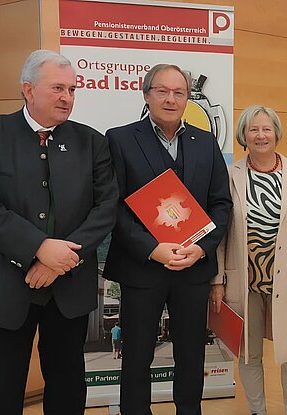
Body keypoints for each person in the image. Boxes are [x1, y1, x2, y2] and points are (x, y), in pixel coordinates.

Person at [0, 49, 118, 415]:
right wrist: (39, 248)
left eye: (72, 89)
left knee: (67, 384)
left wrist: (61, 259)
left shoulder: (91, 142)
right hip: (6, 284)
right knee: (1, 385)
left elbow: (106, 207)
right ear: (28, 90)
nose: (67, 97)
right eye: (57, 88)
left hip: (68, 285)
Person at [103, 63, 232, 415]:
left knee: (191, 353)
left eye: (179, 92)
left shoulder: (205, 142)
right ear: (146, 95)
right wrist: (152, 249)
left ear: (188, 98)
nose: (171, 99)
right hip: (141, 267)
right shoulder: (119, 139)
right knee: (137, 354)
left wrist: (201, 248)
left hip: (193, 267)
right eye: (162, 91)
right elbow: (112, 205)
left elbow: (221, 204)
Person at [210, 105, 287, 415]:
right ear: (244, 135)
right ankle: (257, 410)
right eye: (254, 129)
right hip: (244, 282)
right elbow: (220, 233)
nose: (261, 135)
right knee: (249, 353)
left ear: (276, 134)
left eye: (266, 129)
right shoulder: (229, 176)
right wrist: (217, 280)